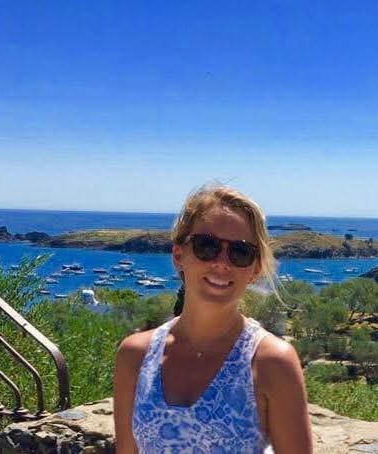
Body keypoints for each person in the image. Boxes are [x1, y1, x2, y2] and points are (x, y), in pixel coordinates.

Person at [114, 185, 313, 453]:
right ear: (179, 255)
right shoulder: (135, 355)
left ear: (254, 270)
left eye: (240, 252)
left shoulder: (271, 362)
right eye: (206, 246)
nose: (222, 263)